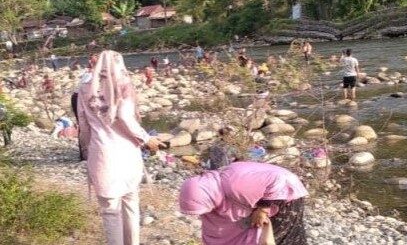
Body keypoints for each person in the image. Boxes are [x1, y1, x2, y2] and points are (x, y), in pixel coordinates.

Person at [77, 50, 163, 245]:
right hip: (126, 154)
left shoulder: (84, 87)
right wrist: (146, 138)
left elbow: (83, 124)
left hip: (101, 155)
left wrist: (85, 149)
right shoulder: (123, 84)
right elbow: (125, 117)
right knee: (131, 206)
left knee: (110, 213)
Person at [179, 161, 308, 245]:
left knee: (280, 238)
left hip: (284, 194)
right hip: (265, 196)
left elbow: (277, 179)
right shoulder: (216, 188)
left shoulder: (234, 185)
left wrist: (262, 210)